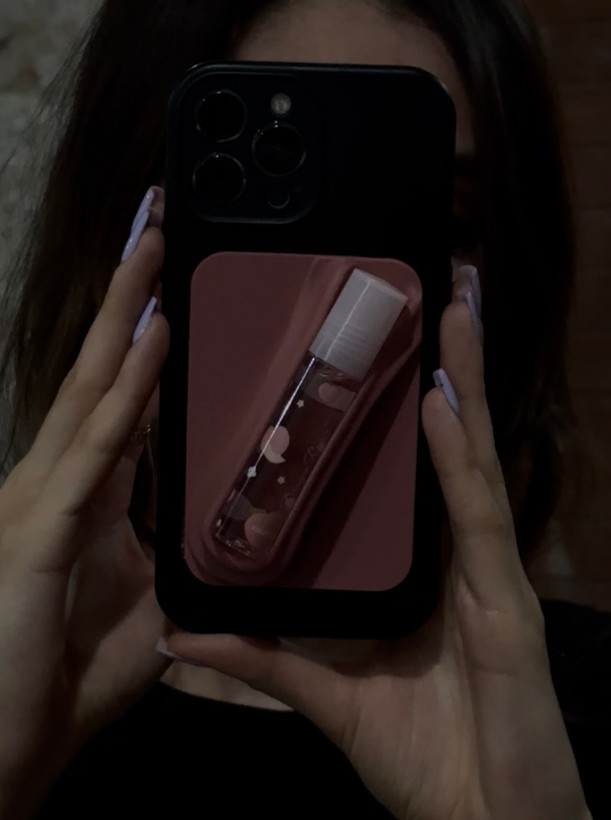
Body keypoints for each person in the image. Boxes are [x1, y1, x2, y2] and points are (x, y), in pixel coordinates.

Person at [0, 0, 608, 817]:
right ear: (125, 256)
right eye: (258, 223)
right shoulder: (33, 714)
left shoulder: (584, 715)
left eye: (441, 221)